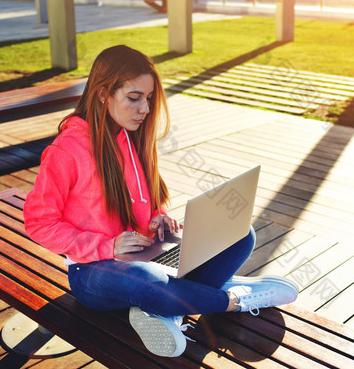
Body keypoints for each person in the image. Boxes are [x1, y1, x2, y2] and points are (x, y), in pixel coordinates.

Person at [23, 45, 298, 358]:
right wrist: (107, 247)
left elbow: (146, 200)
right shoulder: (67, 151)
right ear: (103, 94)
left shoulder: (131, 136)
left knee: (239, 233)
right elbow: (38, 223)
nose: (145, 108)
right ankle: (235, 298)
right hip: (94, 272)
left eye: (149, 98)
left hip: (148, 253)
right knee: (148, 281)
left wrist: (158, 217)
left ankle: (164, 310)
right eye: (134, 97)